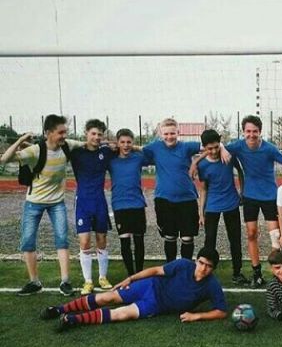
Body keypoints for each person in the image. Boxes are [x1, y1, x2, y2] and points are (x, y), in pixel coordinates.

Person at [40, 247, 227, 330]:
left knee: (122, 314)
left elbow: (221, 311)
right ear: (196, 261)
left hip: (156, 305)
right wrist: (130, 278)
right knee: (107, 297)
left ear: (213, 269)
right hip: (149, 286)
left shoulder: (212, 285)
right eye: (201, 263)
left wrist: (197, 316)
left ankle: (73, 320)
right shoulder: (184, 264)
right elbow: (156, 270)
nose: (203, 268)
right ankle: (59, 309)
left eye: (209, 266)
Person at [0, 114, 84, 296]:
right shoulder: (35, 151)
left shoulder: (67, 145)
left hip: (57, 203)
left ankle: (65, 282)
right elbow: (4, 159)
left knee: (62, 240)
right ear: (48, 133)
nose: (64, 136)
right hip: (34, 203)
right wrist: (20, 140)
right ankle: (34, 282)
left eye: (65, 132)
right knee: (27, 242)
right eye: (60, 132)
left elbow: (89, 144)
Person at [225, 115, 282, 288]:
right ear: (243, 132)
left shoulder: (270, 149)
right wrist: (220, 150)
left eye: (255, 131)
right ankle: (257, 273)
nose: (251, 135)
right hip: (250, 196)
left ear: (260, 132)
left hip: (270, 196)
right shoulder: (238, 145)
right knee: (251, 234)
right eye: (248, 131)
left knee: (275, 237)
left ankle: (277, 274)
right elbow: (218, 147)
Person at [143, 118, 202, 262]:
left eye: (172, 133)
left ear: (178, 133)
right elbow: (135, 149)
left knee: (187, 237)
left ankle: (185, 267)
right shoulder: (154, 147)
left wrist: (195, 161)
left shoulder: (186, 147)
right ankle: (171, 267)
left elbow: (212, 145)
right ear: (160, 134)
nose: (169, 137)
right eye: (166, 134)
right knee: (170, 237)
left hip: (187, 199)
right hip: (164, 200)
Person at [195, 129, 248, 285]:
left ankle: (237, 273)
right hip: (212, 207)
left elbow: (240, 172)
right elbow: (203, 189)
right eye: (209, 148)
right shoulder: (203, 165)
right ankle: (206, 272)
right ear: (204, 147)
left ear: (220, 144)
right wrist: (201, 213)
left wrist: (242, 192)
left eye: (216, 147)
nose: (213, 151)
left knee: (235, 240)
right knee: (209, 241)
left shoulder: (228, 157)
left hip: (231, 204)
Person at [70, 119, 115, 295]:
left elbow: (121, 147)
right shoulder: (76, 152)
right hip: (82, 201)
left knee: (101, 239)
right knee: (84, 242)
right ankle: (88, 281)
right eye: (93, 133)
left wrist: (110, 144)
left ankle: (102, 277)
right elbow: (56, 146)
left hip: (99, 201)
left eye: (99, 134)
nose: (96, 137)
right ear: (86, 134)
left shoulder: (105, 152)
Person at [108, 128, 150, 277]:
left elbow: (153, 152)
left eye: (129, 142)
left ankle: (139, 273)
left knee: (139, 241)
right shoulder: (111, 160)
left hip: (137, 204)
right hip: (120, 205)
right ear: (117, 143)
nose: (126, 145)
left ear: (133, 143)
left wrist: (137, 147)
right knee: (125, 241)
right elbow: (97, 149)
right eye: (122, 142)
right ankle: (131, 275)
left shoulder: (138, 158)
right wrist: (109, 145)